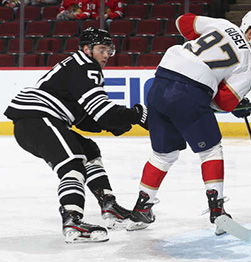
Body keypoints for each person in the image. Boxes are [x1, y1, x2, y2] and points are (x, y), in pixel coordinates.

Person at [126, 10, 251, 234]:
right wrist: (237, 105)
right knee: (211, 151)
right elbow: (224, 102)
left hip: (161, 81)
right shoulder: (249, 68)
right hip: (189, 92)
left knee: (163, 155)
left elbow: (182, 22)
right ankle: (217, 212)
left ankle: (141, 209)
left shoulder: (223, 24)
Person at [3, 27, 149, 243]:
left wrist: (113, 124)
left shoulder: (77, 65)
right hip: (38, 119)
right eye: (101, 49)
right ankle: (72, 220)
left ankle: (109, 206)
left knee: (89, 151)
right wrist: (137, 115)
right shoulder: (85, 67)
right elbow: (103, 113)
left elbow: (86, 118)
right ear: (86, 49)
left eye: (109, 50)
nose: (107, 55)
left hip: (38, 121)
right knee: (72, 163)